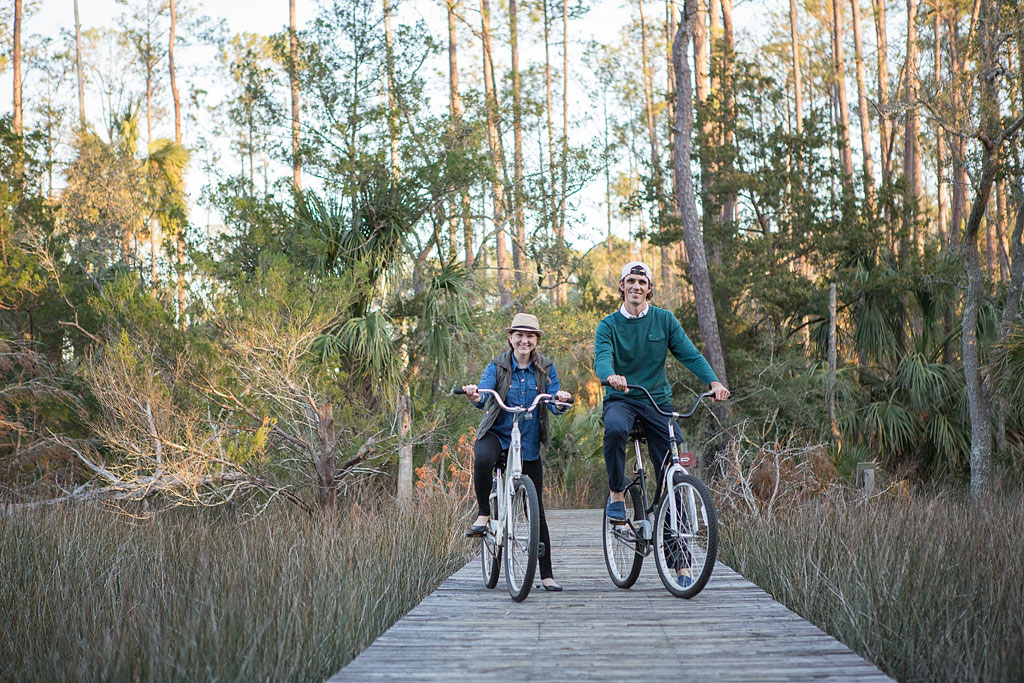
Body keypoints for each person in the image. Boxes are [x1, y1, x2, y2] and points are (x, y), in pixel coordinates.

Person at [593, 262, 730, 585]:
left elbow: (690, 354)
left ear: (649, 288)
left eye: (642, 281)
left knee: (673, 475)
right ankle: (616, 494)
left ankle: (681, 564)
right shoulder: (608, 324)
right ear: (622, 286)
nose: (636, 286)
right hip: (622, 398)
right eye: (631, 281)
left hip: (657, 401)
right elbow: (601, 357)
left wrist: (713, 382)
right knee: (614, 429)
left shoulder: (664, 320)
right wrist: (610, 376)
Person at [461, 312, 572, 592]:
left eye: (530, 335)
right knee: (483, 458)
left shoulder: (546, 368)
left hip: (529, 442)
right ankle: (485, 512)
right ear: (510, 338)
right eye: (519, 335)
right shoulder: (497, 366)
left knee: (536, 509)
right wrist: (476, 395)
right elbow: (484, 394)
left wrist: (561, 399)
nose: (524, 340)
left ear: (536, 340)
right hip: (498, 435)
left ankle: (546, 575)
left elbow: (556, 402)